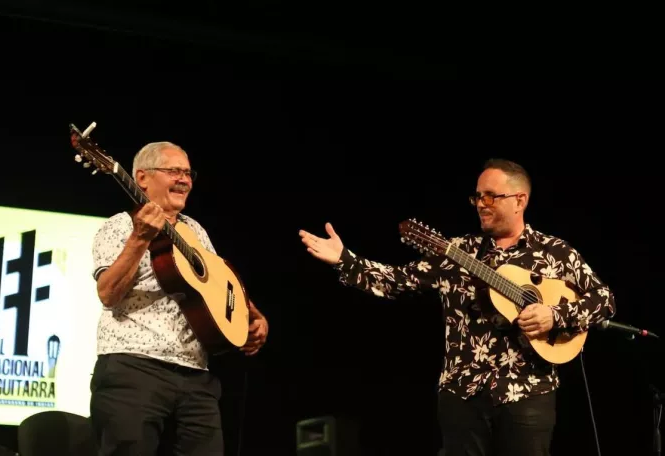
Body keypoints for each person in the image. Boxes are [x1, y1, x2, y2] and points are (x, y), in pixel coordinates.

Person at [298, 158, 615, 456]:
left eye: (490, 196)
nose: (481, 204)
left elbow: (604, 299)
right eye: (477, 197)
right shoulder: (456, 252)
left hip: (529, 393)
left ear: (520, 200)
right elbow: (395, 281)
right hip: (462, 394)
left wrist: (554, 315)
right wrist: (344, 260)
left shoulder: (554, 252)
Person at [89, 141, 269, 456]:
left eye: (188, 173)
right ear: (142, 178)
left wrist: (252, 316)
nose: (184, 180)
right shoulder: (119, 226)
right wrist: (140, 238)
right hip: (134, 370)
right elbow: (108, 293)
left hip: (197, 378)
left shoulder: (195, 230)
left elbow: (219, 281)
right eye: (174, 171)